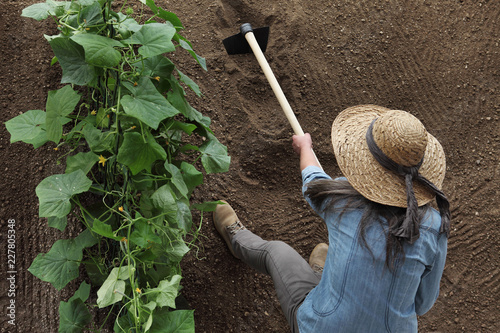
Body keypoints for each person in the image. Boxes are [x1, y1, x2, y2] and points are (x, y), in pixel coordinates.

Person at [213, 105, 450, 332]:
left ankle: (236, 237)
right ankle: (320, 274)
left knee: (275, 251)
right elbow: (422, 304)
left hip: (322, 327)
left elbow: (312, 180)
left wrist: (305, 148)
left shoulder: (343, 202)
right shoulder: (434, 227)